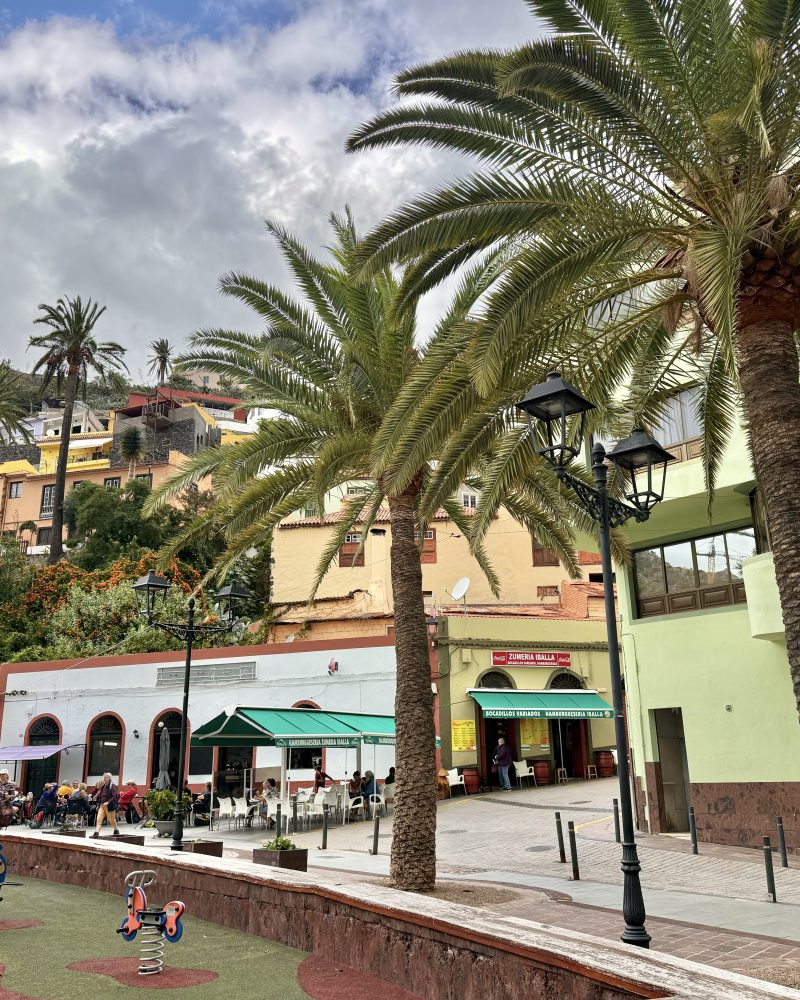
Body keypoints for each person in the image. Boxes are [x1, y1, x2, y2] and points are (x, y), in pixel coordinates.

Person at [91, 772, 120, 838]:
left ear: (109, 778)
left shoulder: (112, 786)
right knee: (99, 819)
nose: (104, 778)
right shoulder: (103, 786)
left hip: (109, 806)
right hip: (102, 805)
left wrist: (108, 802)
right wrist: (97, 787)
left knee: (111, 819)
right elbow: (98, 794)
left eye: (105, 777)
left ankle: (116, 830)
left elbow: (114, 796)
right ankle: (96, 833)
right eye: (103, 777)